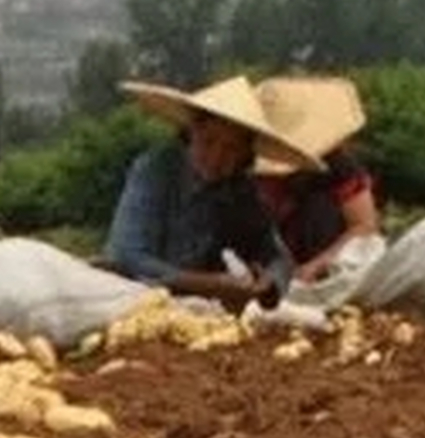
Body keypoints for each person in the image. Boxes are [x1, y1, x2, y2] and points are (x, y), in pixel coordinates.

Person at [103, 75, 323, 313]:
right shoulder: (155, 170)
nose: (217, 158)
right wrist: (210, 284)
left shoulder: (239, 188)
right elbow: (127, 257)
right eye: (208, 142)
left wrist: (267, 284)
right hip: (133, 302)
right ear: (191, 133)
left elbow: (277, 256)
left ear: (244, 157)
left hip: (201, 312)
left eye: (231, 149)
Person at [253, 76, 381, 285]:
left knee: (319, 208)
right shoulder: (245, 162)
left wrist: (316, 265)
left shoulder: (337, 165)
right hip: (272, 266)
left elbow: (364, 226)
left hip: (329, 263)